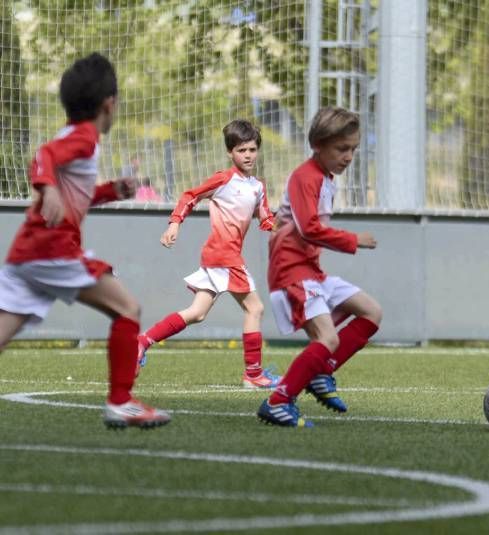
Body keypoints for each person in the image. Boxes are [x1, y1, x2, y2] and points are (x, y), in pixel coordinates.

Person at [0, 53, 170, 429]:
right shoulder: (85, 137)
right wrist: (47, 187)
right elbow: (42, 158)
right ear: (109, 104)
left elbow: (72, 192)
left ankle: (122, 402)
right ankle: (121, 402)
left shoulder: (71, 135)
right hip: (52, 251)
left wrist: (110, 191)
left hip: (26, 254)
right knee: (128, 309)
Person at [257, 106, 382, 427]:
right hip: (291, 270)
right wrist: (354, 240)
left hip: (310, 270)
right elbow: (309, 228)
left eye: (353, 149)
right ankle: (279, 400)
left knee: (371, 312)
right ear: (318, 144)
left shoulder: (326, 179)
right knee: (327, 338)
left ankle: (321, 371)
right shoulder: (305, 177)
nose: (349, 156)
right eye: (342, 149)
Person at [137, 119, 281, 389]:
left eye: (252, 149)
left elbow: (265, 220)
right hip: (223, 255)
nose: (248, 155)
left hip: (219, 257)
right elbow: (190, 196)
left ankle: (143, 341)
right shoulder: (224, 180)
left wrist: (285, 228)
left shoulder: (257, 187)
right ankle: (253, 374)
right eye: (241, 150)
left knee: (197, 312)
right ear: (230, 153)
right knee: (255, 308)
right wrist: (174, 223)